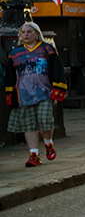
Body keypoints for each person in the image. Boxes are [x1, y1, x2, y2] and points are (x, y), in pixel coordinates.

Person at [3, 21, 66, 167]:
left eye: (29, 32)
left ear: (37, 34)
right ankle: (34, 155)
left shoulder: (47, 49)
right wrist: (10, 94)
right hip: (24, 95)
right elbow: (10, 76)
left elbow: (57, 70)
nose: (25, 34)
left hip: (44, 92)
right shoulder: (14, 53)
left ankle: (48, 143)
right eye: (23, 32)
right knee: (28, 126)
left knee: (45, 121)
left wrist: (58, 91)